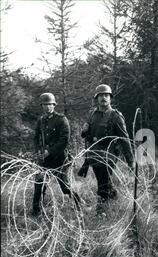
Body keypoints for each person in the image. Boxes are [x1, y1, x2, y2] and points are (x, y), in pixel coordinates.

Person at [81, 84, 134, 214]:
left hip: (108, 155)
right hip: (94, 154)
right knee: (103, 180)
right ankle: (114, 198)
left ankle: (102, 211)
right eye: (101, 96)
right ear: (96, 98)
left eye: (106, 95)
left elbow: (124, 139)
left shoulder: (115, 116)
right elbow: (87, 135)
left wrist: (130, 161)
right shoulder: (92, 114)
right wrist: (84, 131)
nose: (103, 98)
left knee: (103, 183)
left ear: (110, 98)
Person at [32, 93, 82, 215]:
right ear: (42, 106)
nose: (48, 107)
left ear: (54, 105)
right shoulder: (41, 120)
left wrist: (49, 151)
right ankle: (36, 212)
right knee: (39, 185)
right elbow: (36, 137)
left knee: (65, 187)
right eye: (45, 104)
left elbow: (64, 140)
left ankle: (78, 204)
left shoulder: (61, 120)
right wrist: (38, 150)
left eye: (50, 104)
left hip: (59, 159)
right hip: (45, 159)